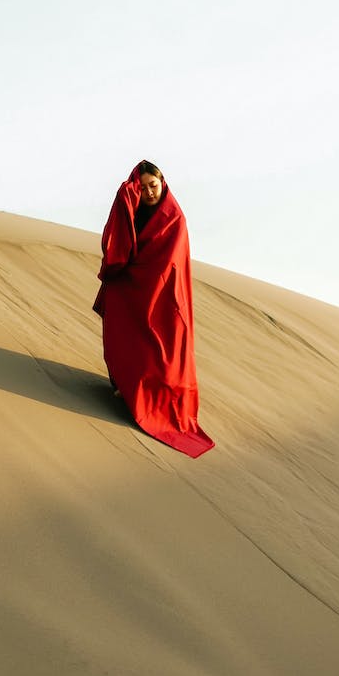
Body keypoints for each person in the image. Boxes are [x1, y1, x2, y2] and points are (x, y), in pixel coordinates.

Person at [93, 160, 214, 458]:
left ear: (164, 184)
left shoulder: (175, 219)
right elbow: (119, 238)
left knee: (162, 347)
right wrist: (127, 192)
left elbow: (167, 261)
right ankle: (123, 383)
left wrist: (142, 273)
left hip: (164, 293)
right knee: (117, 309)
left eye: (154, 186)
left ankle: (152, 400)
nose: (149, 192)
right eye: (144, 187)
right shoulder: (133, 208)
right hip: (135, 282)